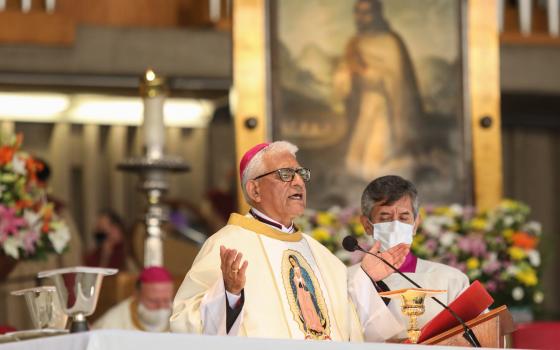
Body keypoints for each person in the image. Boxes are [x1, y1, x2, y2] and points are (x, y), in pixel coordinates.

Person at [170, 141, 409, 341]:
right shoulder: (228, 245)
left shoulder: (320, 254)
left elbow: (348, 323)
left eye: (300, 174)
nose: (298, 182)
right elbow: (185, 324)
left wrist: (365, 279)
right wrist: (229, 295)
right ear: (255, 190)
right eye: (285, 174)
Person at [349, 175, 469, 337]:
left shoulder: (452, 281)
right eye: (385, 218)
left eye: (404, 218)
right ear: (367, 225)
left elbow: (479, 334)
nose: (395, 225)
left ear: (415, 224)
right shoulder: (347, 280)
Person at [333, 0, 423, 180]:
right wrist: (346, 75)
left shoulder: (390, 42)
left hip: (385, 109)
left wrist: (364, 72)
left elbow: (394, 79)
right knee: (353, 161)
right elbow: (342, 77)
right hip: (363, 107)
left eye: (366, 13)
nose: (361, 17)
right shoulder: (355, 44)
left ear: (377, 14)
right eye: (357, 12)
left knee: (374, 164)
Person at [94, 266, 174, 332]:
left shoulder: (180, 316)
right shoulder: (111, 323)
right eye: (153, 301)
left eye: (166, 300)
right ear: (137, 295)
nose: (161, 306)